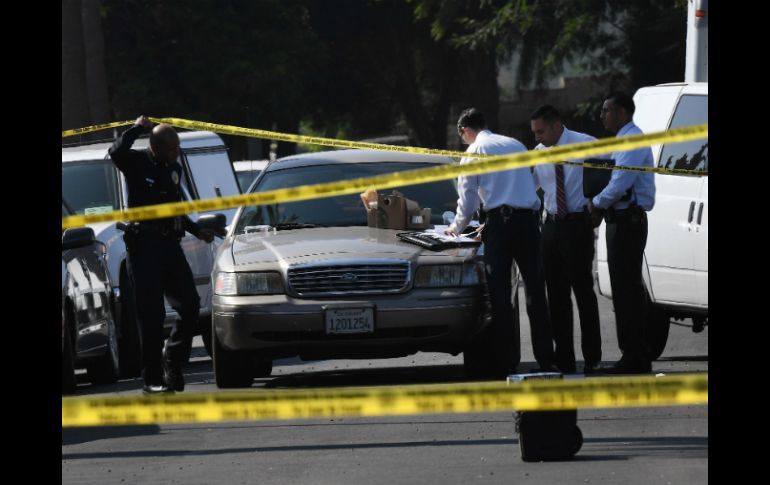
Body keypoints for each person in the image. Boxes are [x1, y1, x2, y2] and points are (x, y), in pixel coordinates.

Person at [109, 116, 216, 394]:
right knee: (152, 316)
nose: (176, 152)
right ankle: (152, 379)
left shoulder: (174, 168)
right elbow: (116, 152)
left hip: (170, 246)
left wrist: (196, 230)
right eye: (172, 148)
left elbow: (176, 209)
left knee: (191, 305)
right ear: (155, 147)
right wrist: (137, 128)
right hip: (144, 248)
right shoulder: (135, 163)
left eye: (177, 147)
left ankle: (173, 357)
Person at [447, 107, 556, 375]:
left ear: (465, 131)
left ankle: (506, 362)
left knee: (500, 297)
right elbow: (530, 184)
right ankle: (546, 358)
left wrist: (456, 228)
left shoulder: (474, 152)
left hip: (500, 225)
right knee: (535, 293)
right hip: (528, 223)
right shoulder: (515, 144)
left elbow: (468, 199)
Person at [530, 105, 602, 374]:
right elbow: (531, 186)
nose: (537, 137)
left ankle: (592, 357)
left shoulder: (586, 145)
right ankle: (565, 359)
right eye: (534, 132)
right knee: (557, 297)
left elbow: (609, 175)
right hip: (550, 228)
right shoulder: (539, 154)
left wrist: (599, 207)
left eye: (541, 131)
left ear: (557, 126)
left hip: (577, 225)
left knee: (583, 292)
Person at [587, 92, 656, 374]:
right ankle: (635, 354)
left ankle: (634, 357)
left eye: (607, 110)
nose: (602, 115)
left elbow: (618, 185)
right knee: (626, 290)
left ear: (623, 113)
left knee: (626, 291)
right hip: (622, 221)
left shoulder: (630, 141)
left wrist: (595, 204)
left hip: (627, 222)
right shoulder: (623, 140)